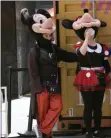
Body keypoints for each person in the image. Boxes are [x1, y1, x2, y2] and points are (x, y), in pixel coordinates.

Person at [20, 8, 78, 138]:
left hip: (53, 86)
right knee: (43, 114)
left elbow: (66, 55)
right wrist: (38, 90)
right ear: (40, 34)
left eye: (49, 35)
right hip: (42, 88)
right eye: (46, 35)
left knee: (57, 107)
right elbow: (33, 73)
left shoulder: (53, 48)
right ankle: (46, 133)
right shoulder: (34, 52)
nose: (49, 36)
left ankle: (42, 129)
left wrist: (80, 56)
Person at [62, 9, 111, 138]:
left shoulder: (102, 47)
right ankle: (89, 131)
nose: (90, 31)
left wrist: (108, 74)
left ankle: (97, 130)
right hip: (86, 78)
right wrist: (86, 39)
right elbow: (82, 54)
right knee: (88, 105)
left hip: (100, 77)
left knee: (98, 106)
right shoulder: (80, 45)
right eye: (86, 29)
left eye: (92, 29)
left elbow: (106, 64)